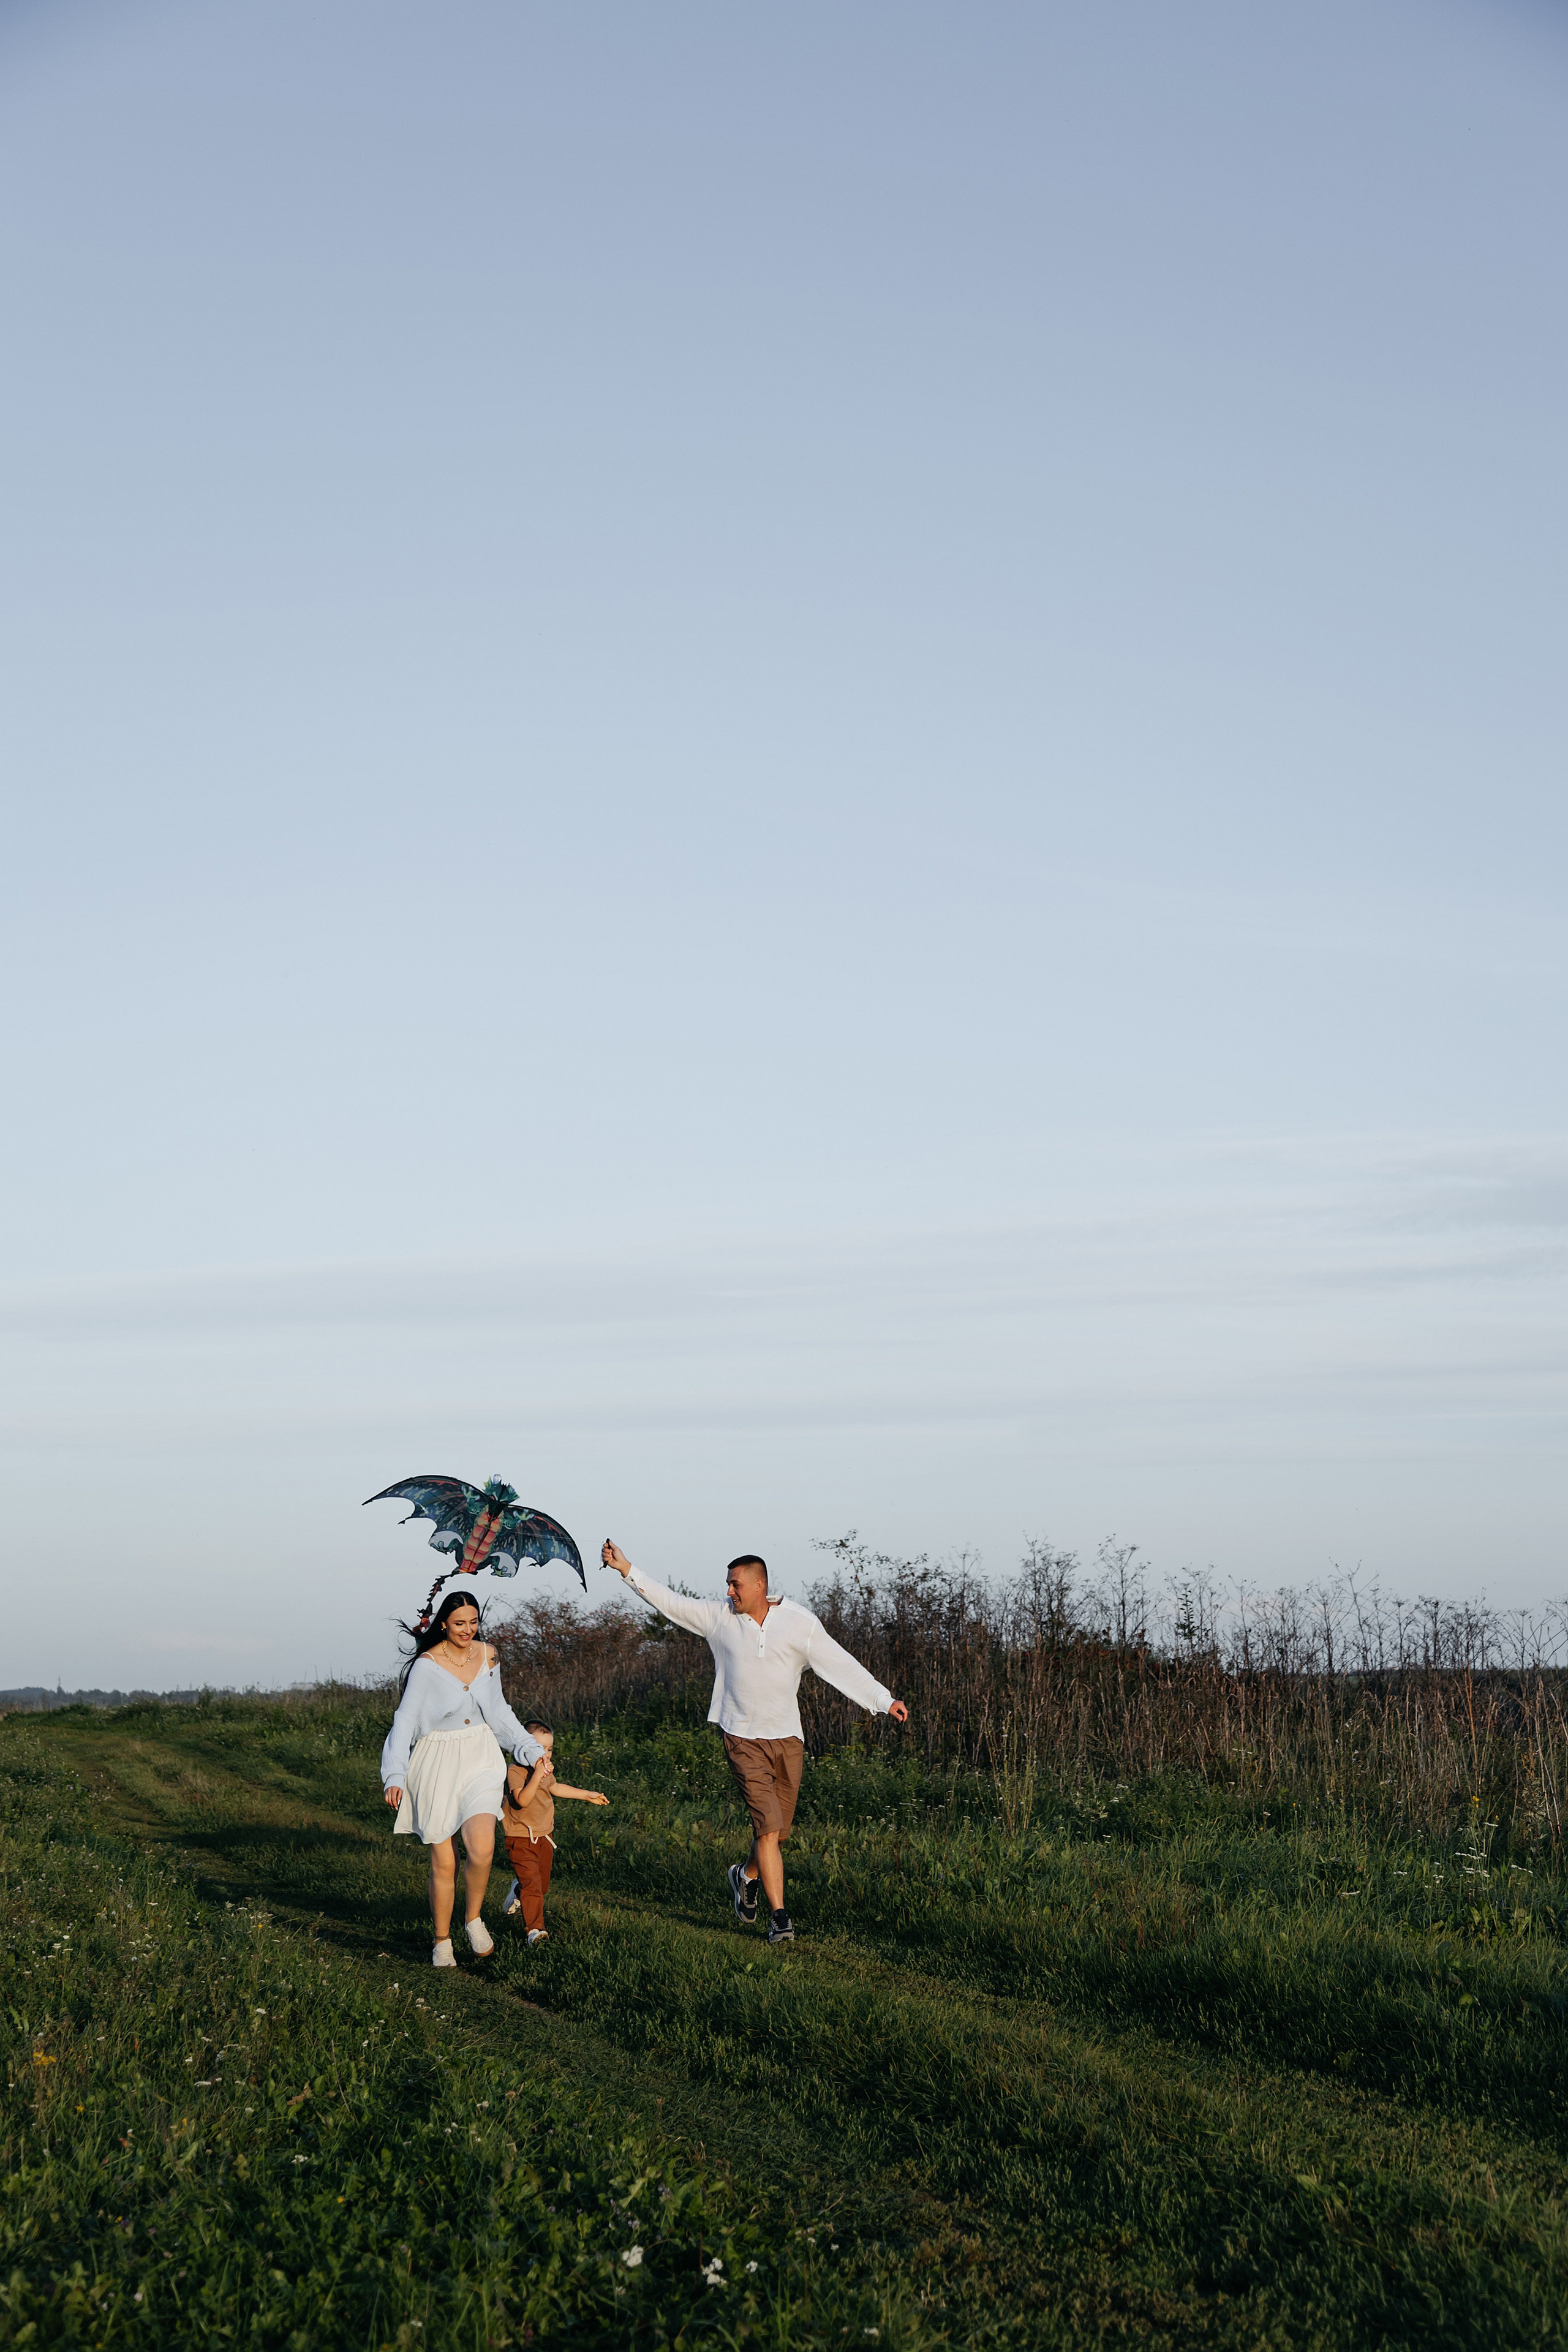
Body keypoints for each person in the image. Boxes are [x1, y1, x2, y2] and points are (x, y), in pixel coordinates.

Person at [600, 1540, 910, 1944]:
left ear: (760, 1585)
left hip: (787, 1740)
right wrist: (627, 1569)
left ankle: (745, 1875)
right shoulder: (720, 1618)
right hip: (742, 1738)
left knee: (777, 1834)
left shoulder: (800, 1623)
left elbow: (839, 1664)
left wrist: (883, 1700)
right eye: (729, 1585)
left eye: (735, 1585)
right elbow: (671, 1603)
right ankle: (780, 1918)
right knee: (766, 1830)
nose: (729, 1592)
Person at [380, 1587, 546, 1969]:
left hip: (480, 1756)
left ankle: (473, 1919)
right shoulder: (427, 1665)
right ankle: (442, 1940)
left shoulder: (488, 1655)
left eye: (473, 1622)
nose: (467, 1629)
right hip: (437, 1760)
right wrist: (395, 1774)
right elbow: (404, 1721)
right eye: (459, 1623)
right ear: (443, 1624)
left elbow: (501, 1712)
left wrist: (531, 1750)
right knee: (445, 1862)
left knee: (482, 1847)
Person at [499, 1717, 610, 1945]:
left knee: (542, 1885)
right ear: (524, 1747)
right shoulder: (516, 1771)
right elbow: (522, 1800)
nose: (547, 1754)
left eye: (550, 1749)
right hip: (520, 1837)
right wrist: (538, 1775)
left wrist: (587, 1794)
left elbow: (556, 1788)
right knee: (533, 1887)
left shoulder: (544, 1771)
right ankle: (535, 1930)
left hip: (545, 1836)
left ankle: (518, 1890)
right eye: (540, 1748)